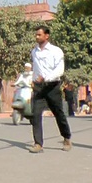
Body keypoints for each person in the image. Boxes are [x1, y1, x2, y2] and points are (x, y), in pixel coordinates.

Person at [28, 25, 72, 153]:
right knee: (35, 114)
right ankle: (38, 144)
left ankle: (66, 137)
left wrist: (46, 78)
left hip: (52, 86)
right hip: (38, 87)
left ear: (46, 36)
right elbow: (36, 68)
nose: (37, 37)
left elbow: (59, 70)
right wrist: (33, 79)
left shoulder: (56, 51)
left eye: (39, 35)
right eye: (36, 34)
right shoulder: (34, 51)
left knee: (58, 113)